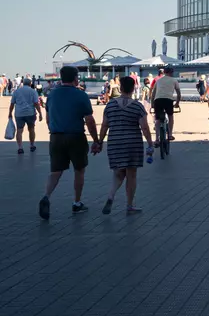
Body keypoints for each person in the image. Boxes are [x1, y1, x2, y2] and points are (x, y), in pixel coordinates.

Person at [39, 66, 100, 220]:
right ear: (75, 78)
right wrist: (96, 140)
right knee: (79, 170)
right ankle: (77, 202)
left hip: (56, 136)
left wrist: (54, 130)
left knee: (55, 171)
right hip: (75, 136)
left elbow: (48, 118)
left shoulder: (52, 95)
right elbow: (90, 121)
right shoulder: (80, 95)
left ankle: (46, 196)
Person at [97, 76, 153, 215]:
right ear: (133, 88)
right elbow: (144, 127)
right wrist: (150, 144)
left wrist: (99, 142)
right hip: (132, 143)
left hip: (115, 143)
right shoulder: (137, 106)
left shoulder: (110, 105)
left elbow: (104, 125)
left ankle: (111, 196)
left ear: (120, 88)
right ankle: (129, 204)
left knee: (118, 172)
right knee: (131, 174)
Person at [8, 76, 43, 154]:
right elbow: (36, 103)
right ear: (30, 84)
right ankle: (32, 145)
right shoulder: (33, 91)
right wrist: (40, 113)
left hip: (19, 114)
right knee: (31, 129)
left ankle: (20, 147)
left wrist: (10, 113)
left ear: (23, 83)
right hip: (30, 113)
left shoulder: (17, 91)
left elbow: (12, 103)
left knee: (19, 130)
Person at [150, 65, 181, 141]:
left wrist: (152, 104)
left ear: (164, 72)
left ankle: (157, 139)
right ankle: (170, 134)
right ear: (172, 72)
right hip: (168, 100)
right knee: (170, 116)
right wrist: (177, 103)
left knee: (157, 119)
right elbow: (179, 94)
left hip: (158, 100)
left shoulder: (158, 81)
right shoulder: (174, 80)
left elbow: (153, 94)